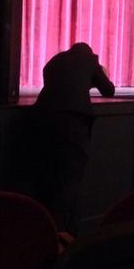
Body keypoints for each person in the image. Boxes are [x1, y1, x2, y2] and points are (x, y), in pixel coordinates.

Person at [32, 43, 115, 234]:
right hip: (72, 123)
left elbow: (59, 85)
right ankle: (66, 235)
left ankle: (43, 231)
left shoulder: (55, 61)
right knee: (69, 180)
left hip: (40, 119)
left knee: (46, 178)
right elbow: (108, 90)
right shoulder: (90, 60)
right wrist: (98, 74)